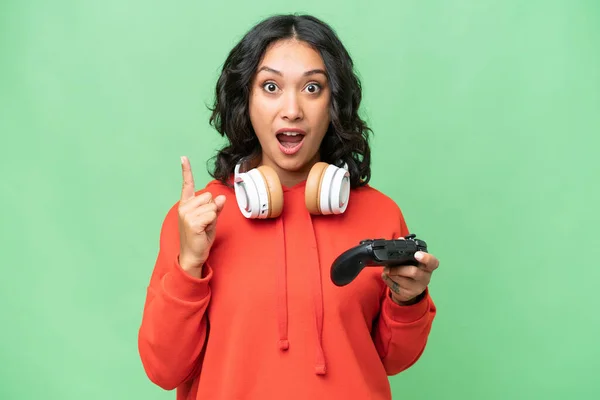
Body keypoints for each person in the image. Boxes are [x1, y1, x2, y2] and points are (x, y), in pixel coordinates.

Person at [137, 13, 439, 400]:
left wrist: (409, 300)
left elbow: (394, 360)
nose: (292, 109)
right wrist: (189, 267)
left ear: (334, 102)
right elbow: (164, 369)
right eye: (270, 86)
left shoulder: (380, 213)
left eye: (312, 87)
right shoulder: (199, 219)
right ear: (245, 99)